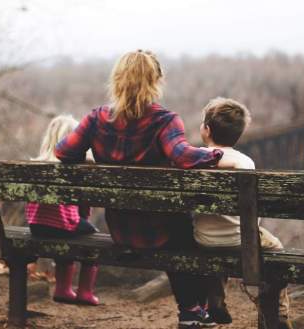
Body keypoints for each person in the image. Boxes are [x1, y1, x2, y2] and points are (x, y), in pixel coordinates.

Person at [55, 50, 223, 328]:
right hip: (162, 230)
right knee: (188, 231)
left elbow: (64, 152)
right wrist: (214, 154)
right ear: (156, 80)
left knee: (180, 228)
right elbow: (182, 155)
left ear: (117, 80)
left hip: (121, 229)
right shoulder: (165, 121)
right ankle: (193, 310)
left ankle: (195, 310)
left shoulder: (96, 119)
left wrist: (88, 159)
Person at [193, 97, 292, 328]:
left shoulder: (194, 159)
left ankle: (214, 298)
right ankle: (279, 314)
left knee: (216, 245)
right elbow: (252, 214)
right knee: (276, 248)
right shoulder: (245, 162)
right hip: (241, 239)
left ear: (206, 130)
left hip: (203, 239)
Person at [26, 115, 101, 306]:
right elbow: (83, 206)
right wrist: (83, 217)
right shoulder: (74, 167)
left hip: (36, 226)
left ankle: (63, 290)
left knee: (67, 233)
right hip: (64, 225)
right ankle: (84, 292)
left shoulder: (36, 165)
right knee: (93, 238)